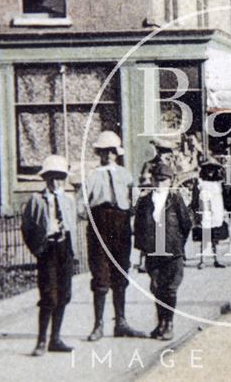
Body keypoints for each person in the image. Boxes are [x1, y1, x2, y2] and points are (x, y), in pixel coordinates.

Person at [81, 131, 146, 342]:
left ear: (116, 153)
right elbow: (82, 206)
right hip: (100, 223)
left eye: (111, 151)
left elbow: (134, 199)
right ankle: (98, 325)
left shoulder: (125, 175)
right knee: (100, 274)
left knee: (121, 272)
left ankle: (121, 321)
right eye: (104, 151)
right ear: (99, 153)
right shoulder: (91, 175)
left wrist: (133, 211)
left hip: (121, 225)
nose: (108, 155)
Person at [21, 155, 77, 356]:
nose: (56, 182)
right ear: (45, 178)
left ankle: (56, 338)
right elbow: (27, 228)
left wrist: (74, 253)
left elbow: (73, 228)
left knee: (64, 294)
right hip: (48, 250)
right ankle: (41, 340)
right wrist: (37, 250)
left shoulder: (68, 200)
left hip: (65, 250)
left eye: (60, 177)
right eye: (51, 177)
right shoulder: (37, 200)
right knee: (48, 296)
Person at [134, 164, 192, 341]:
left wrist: (178, 245)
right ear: (151, 180)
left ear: (170, 181)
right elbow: (138, 228)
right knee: (157, 288)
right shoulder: (144, 202)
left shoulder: (175, 200)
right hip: (153, 251)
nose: (160, 184)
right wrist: (143, 252)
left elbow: (186, 224)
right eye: (157, 180)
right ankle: (160, 323)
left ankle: (169, 324)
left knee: (170, 288)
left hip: (172, 251)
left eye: (163, 180)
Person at [192, 161, 228, 269]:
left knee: (215, 238)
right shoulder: (200, 183)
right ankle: (203, 260)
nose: (210, 172)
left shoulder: (219, 184)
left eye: (212, 170)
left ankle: (217, 260)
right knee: (204, 238)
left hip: (217, 213)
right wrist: (196, 213)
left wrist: (224, 212)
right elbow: (195, 199)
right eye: (208, 170)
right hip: (205, 212)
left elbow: (223, 199)